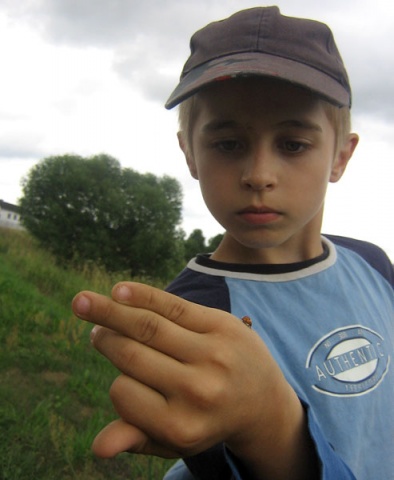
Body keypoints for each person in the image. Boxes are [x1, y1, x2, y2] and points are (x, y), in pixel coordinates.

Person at [72, 6, 394, 480]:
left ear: (340, 156)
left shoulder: (372, 262)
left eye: (292, 144)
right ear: (190, 153)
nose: (258, 175)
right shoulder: (193, 315)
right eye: (228, 144)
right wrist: (268, 426)